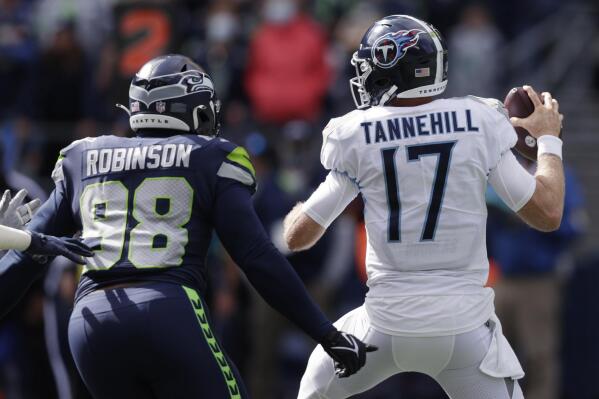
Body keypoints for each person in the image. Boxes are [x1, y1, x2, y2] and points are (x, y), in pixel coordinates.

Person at [0, 54, 375, 398]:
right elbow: (256, 256)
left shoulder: (82, 156)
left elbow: (28, 253)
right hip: (168, 309)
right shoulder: (211, 156)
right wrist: (325, 334)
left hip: (91, 321)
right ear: (189, 107)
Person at [283, 15, 564, 399]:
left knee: (311, 389)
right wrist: (549, 141)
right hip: (464, 329)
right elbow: (548, 214)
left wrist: (314, 200)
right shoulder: (480, 120)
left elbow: (296, 237)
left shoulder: (356, 134)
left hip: (383, 324)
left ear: (391, 67)